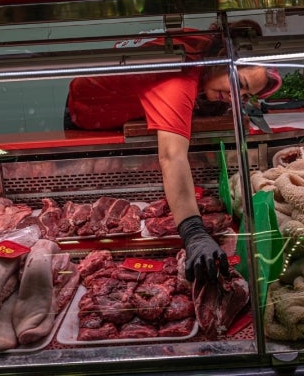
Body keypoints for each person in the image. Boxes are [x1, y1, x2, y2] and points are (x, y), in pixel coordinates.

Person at [65, 20, 281, 283]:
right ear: (223, 59)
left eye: (246, 95)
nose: (238, 98)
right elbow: (172, 157)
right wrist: (194, 232)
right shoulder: (177, 77)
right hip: (88, 116)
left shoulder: (204, 43)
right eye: (240, 84)